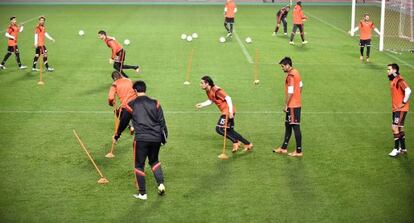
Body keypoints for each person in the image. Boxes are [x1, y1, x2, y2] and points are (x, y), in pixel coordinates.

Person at [114, 80, 167, 200]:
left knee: (139, 165)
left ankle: (142, 194)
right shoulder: (156, 103)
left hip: (141, 139)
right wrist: (164, 138)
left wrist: (117, 135)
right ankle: (161, 184)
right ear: (145, 89)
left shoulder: (131, 104)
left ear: (135, 91)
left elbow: (124, 122)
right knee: (154, 161)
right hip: (156, 138)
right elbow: (162, 122)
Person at [196, 75, 253, 153]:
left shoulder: (216, 90)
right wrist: (202, 104)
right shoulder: (208, 90)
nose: (200, 84)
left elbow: (228, 98)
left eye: (201, 83)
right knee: (229, 130)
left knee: (219, 129)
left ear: (207, 83)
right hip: (227, 111)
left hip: (227, 111)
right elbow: (211, 100)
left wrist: (230, 112)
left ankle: (235, 142)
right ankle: (248, 144)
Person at [273, 57, 303, 157]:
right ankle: (283, 148)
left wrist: (286, 104)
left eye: (282, 66)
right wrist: (297, 96)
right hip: (295, 103)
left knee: (295, 127)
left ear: (287, 65)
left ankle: (299, 151)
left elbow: (290, 91)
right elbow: (301, 86)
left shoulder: (290, 76)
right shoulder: (296, 72)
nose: (282, 68)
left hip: (293, 106)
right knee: (288, 126)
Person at [387, 63, 411, 157]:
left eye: (389, 69)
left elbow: (408, 90)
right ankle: (403, 148)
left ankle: (396, 149)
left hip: (400, 109)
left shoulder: (399, 80)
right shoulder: (394, 80)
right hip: (396, 108)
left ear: (395, 70)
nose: (387, 71)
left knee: (394, 127)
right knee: (400, 127)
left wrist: (403, 103)